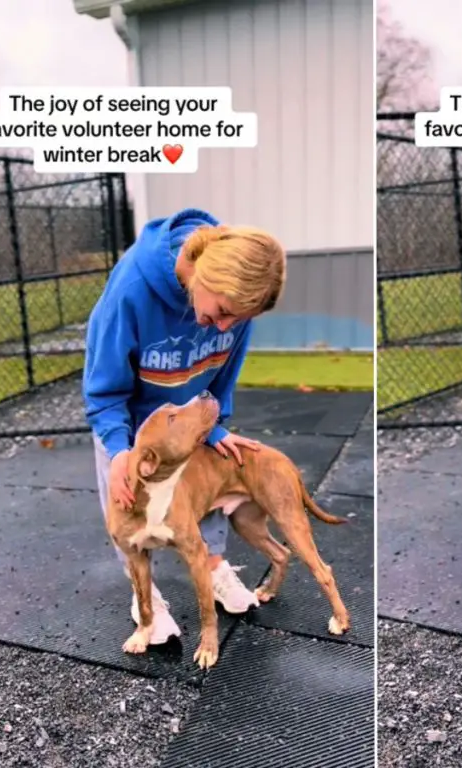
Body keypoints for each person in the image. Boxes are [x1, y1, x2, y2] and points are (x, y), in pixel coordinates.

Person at [83, 207, 286, 646]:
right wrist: (120, 451)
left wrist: (215, 428)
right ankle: (146, 600)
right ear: (204, 275)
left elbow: (221, 375)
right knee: (128, 510)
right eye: (224, 311)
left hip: (189, 422)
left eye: (239, 319)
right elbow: (103, 393)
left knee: (207, 487)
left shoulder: (236, 307)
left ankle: (212, 566)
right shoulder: (132, 291)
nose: (227, 326)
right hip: (130, 426)